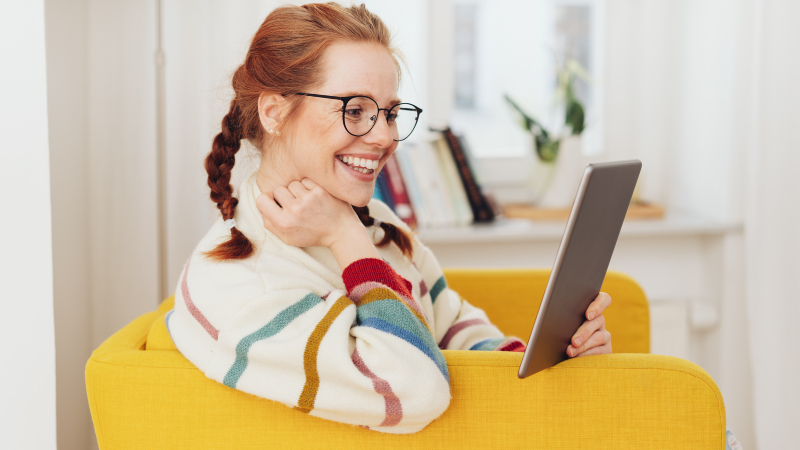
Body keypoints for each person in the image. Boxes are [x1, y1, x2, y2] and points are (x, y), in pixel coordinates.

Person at [167, 2, 612, 434]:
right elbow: (414, 391)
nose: (385, 137)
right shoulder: (237, 286)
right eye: (355, 110)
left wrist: (554, 364)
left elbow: (450, 323)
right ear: (274, 111)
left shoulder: (377, 223)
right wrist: (346, 238)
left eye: (391, 113)